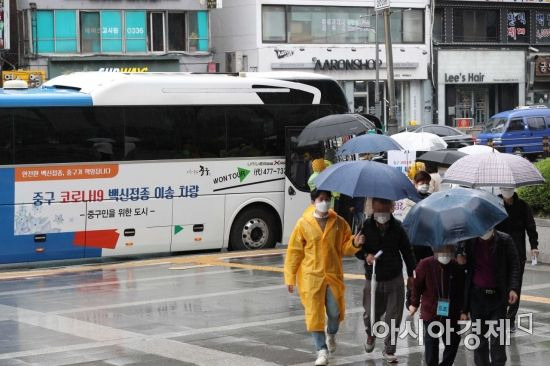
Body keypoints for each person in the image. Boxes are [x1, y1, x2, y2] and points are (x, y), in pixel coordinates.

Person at [284, 189, 362, 366]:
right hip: (311, 277)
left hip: (332, 275)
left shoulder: (339, 222)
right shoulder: (303, 223)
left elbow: (345, 246)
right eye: (321, 199)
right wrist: (290, 277)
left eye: (327, 199)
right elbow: (294, 252)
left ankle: (331, 334)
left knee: (334, 313)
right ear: (313, 202)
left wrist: (355, 244)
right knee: (314, 315)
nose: (325, 202)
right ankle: (321, 350)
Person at [354, 198, 417, 363]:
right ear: (373, 208)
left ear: (391, 208)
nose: (382, 214)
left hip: (394, 277)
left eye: (385, 209)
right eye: (378, 210)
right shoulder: (365, 226)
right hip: (373, 278)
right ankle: (370, 334)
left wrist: (411, 274)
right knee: (370, 314)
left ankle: (390, 349)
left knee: (393, 316)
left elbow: (407, 251)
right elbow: (357, 249)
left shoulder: (398, 227)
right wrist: (365, 254)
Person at [461, 227, 520, 366]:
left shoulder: (505, 240)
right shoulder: (469, 241)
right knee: (479, 339)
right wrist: (460, 257)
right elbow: (461, 264)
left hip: (498, 297)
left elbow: (514, 266)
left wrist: (513, 288)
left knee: (497, 338)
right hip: (477, 297)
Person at [409, 245, 465, 366]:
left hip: (451, 312)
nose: (445, 254)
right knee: (431, 343)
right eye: (442, 250)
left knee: (453, 341)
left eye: (448, 250)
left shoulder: (456, 266)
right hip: (431, 311)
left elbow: (461, 289)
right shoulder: (425, 264)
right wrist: (414, 303)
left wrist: (463, 310)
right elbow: (416, 285)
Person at [496, 187, 539, 332]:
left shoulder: (522, 206)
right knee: (500, 284)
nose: (506, 191)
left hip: (518, 252)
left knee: (516, 285)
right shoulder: (496, 203)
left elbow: (531, 226)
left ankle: (511, 319)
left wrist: (534, 246)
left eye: (509, 188)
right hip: (500, 252)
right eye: (504, 188)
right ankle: (499, 316)